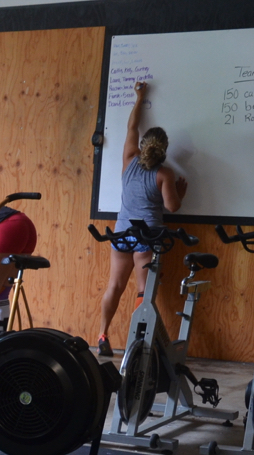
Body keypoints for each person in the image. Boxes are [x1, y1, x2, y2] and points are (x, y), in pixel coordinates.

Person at [96, 80, 187, 357]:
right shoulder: (165, 173)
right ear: (164, 149)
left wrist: (140, 98)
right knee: (143, 291)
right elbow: (172, 207)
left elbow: (131, 127)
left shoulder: (129, 158)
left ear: (144, 144)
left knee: (115, 285)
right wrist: (181, 191)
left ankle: (102, 334)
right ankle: (138, 342)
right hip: (148, 237)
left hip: (122, 233)